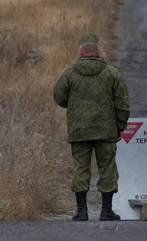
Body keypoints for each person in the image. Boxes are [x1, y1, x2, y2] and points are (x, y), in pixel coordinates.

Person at [53, 33, 130, 221]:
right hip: (106, 131)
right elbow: (123, 103)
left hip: (79, 131)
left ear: (81, 52)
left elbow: (59, 97)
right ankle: (106, 211)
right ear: (99, 51)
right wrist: (120, 126)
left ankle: (81, 212)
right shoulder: (112, 73)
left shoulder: (70, 73)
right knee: (108, 169)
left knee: (80, 169)